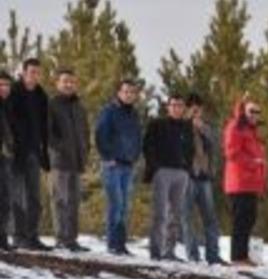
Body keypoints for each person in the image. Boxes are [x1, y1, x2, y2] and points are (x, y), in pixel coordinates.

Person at [7, 58, 51, 251]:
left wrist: (44, 152)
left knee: (34, 196)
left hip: (34, 152)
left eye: (38, 72)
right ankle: (18, 236)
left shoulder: (41, 95)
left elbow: (44, 126)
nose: (35, 75)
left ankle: (32, 236)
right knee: (18, 197)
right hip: (16, 153)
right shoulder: (14, 92)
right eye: (31, 72)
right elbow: (8, 121)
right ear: (24, 73)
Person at [143, 93, 193, 261]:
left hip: (181, 173)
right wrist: (155, 167)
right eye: (173, 105)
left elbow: (190, 149)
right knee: (160, 213)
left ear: (183, 108)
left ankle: (169, 250)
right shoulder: (157, 124)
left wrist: (187, 168)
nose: (176, 108)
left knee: (176, 214)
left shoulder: (187, 126)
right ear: (168, 107)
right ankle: (156, 250)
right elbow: (148, 146)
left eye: (180, 105)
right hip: (162, 171)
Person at [95, 79, 142, 255]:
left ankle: (121, 244)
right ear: (119, 93)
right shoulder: (109, 111)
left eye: (132, 92)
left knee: (125, 206)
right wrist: (108, 157)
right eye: (126, 91)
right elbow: (100, 135)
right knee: (116, 205)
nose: (129, 95)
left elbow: (137, 137)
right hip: (112, 165)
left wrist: (135, 156)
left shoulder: (133, 114)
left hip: (128, 165)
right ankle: (112, 244)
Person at [47, 68, 90, 252]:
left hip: (76, 162)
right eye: (65, 81)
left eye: (71, 81)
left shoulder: (79, 107)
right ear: (58, 83)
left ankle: (72, 240)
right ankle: (61, 239)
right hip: (59, 162)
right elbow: (47, 133)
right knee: (60, 201)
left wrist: (85, 151)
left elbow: (85, 133)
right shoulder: (51, 105)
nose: (68, 84)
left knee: (73, 202)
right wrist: (60, 149)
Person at [181, 93, 226, 265]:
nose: (196, 111)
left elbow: (217, 143)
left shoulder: (205, 127)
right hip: (187, 177)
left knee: (211, 218)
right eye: (192, 108)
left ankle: (213, 255)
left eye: (198, 108)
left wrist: (203, 129)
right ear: (187, 109)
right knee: (187, 217)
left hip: (204, 177)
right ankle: (193, 255)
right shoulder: (180, 126)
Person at [223, 98, 267, 267]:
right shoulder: (236, 127)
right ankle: (237, 257)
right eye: (251, 111)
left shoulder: (251, 130)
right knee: (241, 220)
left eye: (258, 112)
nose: (255, 115)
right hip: (239, 182)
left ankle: (243, 255)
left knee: (249, 218)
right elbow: (232, 153)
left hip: (251, 183)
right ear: (243, 111)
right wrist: (253, 163)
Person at [0, 70, 13, 251]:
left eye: (7, 85)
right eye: (1, 85)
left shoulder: (4, 106)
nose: (4, 88)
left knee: (5, 198)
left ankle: (2, 238)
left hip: (3, 158)